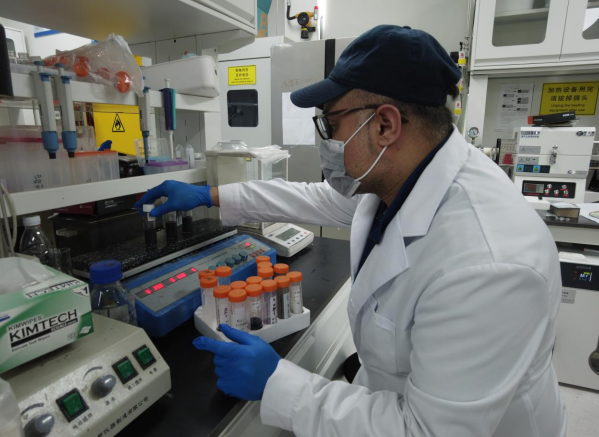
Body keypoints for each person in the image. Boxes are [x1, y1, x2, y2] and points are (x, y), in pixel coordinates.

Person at [135, 25, 566, 437]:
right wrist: (209, 195)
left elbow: (425, 431)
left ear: (385, 125)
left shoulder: (486, 263)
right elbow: (312, 199)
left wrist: (277, 384)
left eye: (331, 124)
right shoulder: (404, 178)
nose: (326, 141)